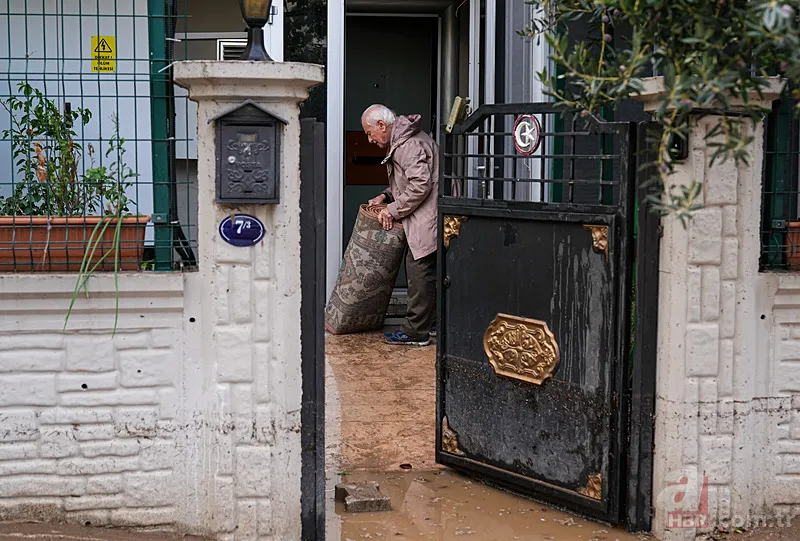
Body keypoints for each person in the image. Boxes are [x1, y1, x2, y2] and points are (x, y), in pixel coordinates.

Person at [362, 104, 439, 346]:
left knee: (419, 271)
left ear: (382, 126)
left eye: (369, 132)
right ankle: (431, 322)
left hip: (426, 218)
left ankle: (416, 331)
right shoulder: (406, 139)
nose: (369, 139)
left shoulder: (407, 145)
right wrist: (385, 197)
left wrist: (392, 210)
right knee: (428, 271)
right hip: (427, 215)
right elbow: (407, 180)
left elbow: (420, 185)